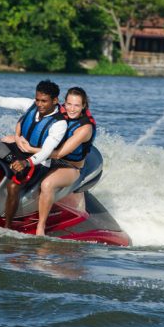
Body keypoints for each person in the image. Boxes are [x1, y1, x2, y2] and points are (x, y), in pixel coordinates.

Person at [0, 80, 67, 229]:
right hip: (18, 150)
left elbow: (46, 152)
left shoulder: (59, 124)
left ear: (55, 100)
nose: (39, 104)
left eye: (44, 101)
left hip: (37, 162)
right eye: (37, 100)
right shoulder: (30, 105)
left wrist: (26, 163)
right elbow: (1, 100)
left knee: (13, 187)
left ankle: (7, 227)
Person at [15, 87, 95, 236]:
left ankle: (40, 227)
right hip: (46, 156)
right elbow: (24, 121)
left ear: (84, 106)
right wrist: (17, 137)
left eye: (77, 105)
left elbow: (59, 154)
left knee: (47, 185)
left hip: (69, 166)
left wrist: (29, 149)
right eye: (69, 104)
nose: (71, 109)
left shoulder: (85, 128)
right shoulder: (56, 111)